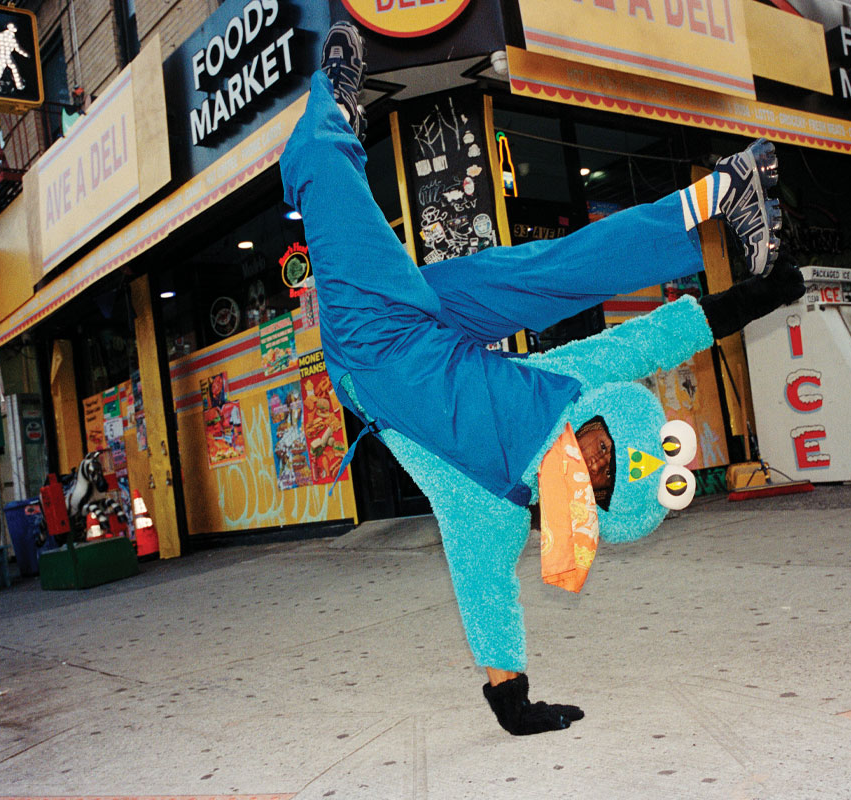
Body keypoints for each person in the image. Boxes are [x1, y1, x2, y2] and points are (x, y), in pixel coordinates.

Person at [282, 22, 805, 735]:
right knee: (551, 272)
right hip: (441, 322)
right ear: (600, 419)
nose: (592, 460)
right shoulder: (568, 386)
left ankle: (335, 112)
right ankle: (722, 192)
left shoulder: (490, 511)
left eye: (602, 477)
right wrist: (762, 295)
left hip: (376, 345)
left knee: (323, 173)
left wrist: (514, 702)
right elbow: (650, 341)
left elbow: (487, 596)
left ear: (589, 509)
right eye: (603, 446)